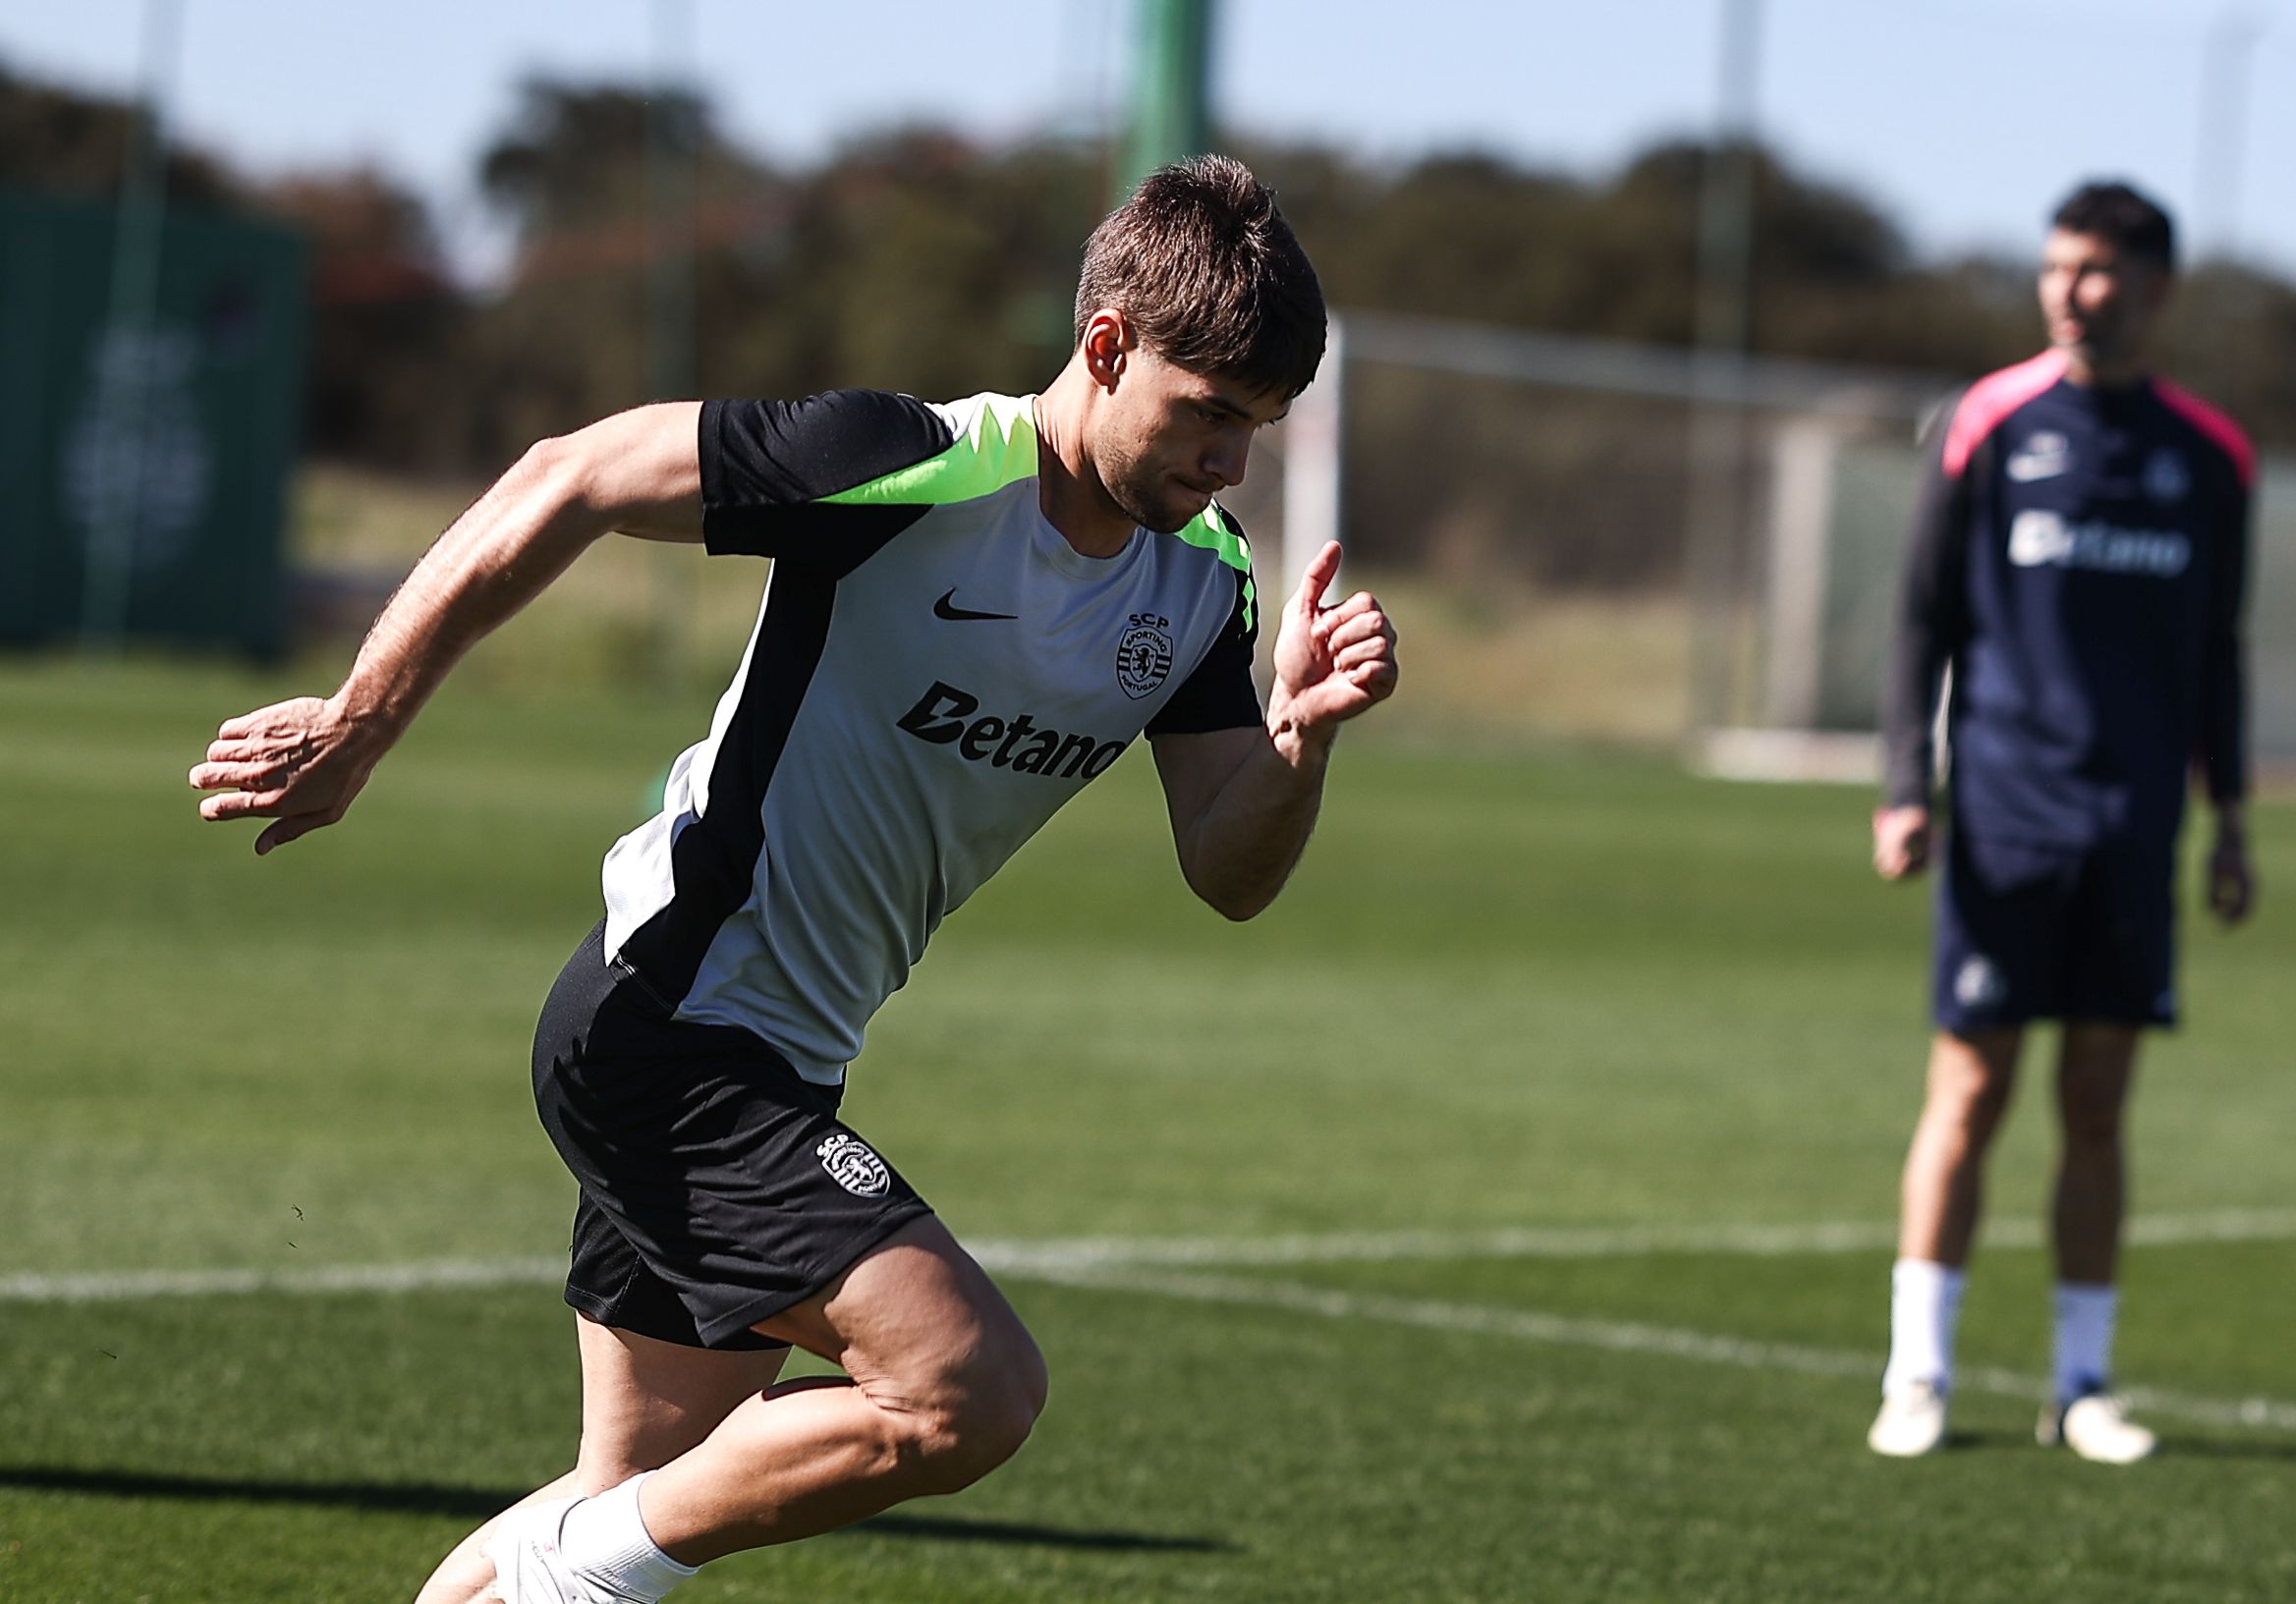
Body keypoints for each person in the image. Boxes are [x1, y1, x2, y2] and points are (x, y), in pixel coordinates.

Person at [190, 155, 1397, 1603]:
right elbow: (568, 473)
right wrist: (362, 717)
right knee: (965, 1386)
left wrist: (1299, 737)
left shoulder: (1198, 582)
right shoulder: (915, 465)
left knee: (615, 1497)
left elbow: (1228, 865)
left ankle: (562, 1569)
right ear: (1104, 347)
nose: (1231, 463)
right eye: (1208, 414)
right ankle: (578, 1571)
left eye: (1257, 429)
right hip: (666, 1021)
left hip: (783, 1055)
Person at [1866, 180, 2254, 1464]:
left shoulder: (2210, 456)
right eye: (2055, 267)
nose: (2070, 290)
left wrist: (2231, 816)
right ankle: (1915, 1371)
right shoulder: (1985, 420)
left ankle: (2079, 1383)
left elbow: (2217, 654)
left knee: (2097, 1102)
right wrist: (1902, 789)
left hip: (2134, 827)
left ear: (2152, 288)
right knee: (1969, 1086)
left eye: (2094, 270)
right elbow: (1920, 617)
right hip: (2001, 811)